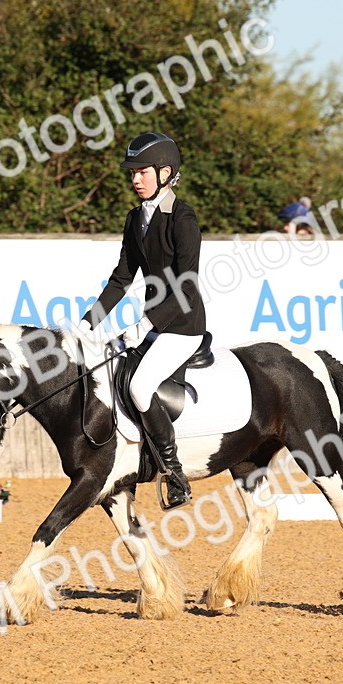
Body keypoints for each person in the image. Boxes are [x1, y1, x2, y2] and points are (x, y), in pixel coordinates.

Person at [78, 132, 205, 508]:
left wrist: (145, 324)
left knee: (139, 386)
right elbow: (121, 279)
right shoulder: (136, 218)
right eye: (131, 173)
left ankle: (174, 473)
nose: (134, 180)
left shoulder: (182, 218)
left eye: (141, 172)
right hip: (151, 325)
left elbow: (187, 285)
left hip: (182, 325)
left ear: (166, 173)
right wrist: (88, 324)